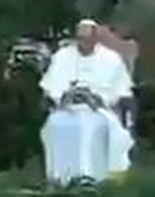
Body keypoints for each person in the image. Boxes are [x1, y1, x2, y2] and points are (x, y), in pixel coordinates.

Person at [38, 19, 136, 184]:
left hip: (99, 112)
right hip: (66, 110)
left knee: (88, 128)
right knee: (54, 126)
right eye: (80, 39)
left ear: (95, 39)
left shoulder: (111, 58)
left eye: (86, 40)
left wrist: (97, 98)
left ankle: (89, 178)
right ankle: (59, 177)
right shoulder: (62, 56)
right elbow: (50, 87)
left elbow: (122, 91)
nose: (82, 44)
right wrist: (65, 96)